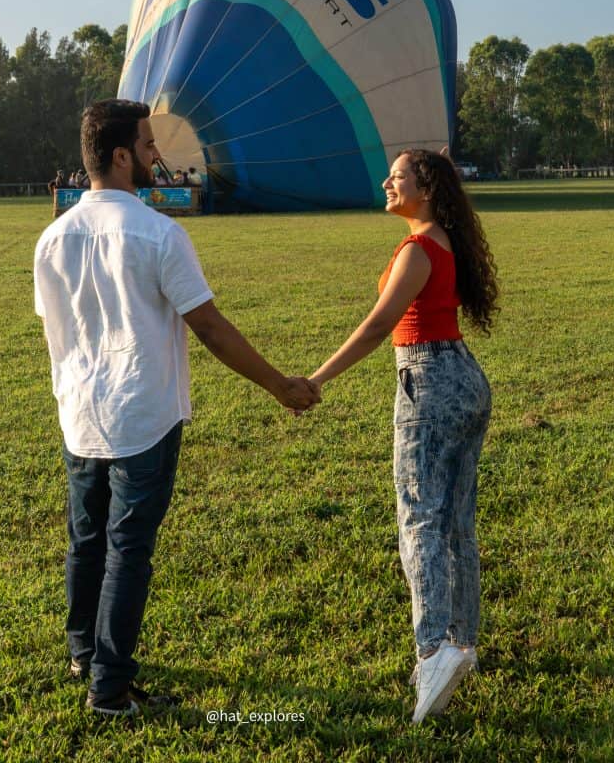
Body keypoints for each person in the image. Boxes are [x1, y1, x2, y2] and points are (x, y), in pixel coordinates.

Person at [33, 99, 319, 719]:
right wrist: (278, 385)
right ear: (120, 156)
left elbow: (58, 323)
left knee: (86, 540)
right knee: (127, 548)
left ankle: (84, 650)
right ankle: (108, 689)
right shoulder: (159, 232)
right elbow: (210, 327)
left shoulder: (51, 238)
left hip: (79, 413)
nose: (156, 154)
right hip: (144, 412)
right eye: (147, 143)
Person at [307, 148, 498, 724]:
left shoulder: (418, 250)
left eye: (398, 177)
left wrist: (314, 380)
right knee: (455, 522)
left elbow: (377, 326)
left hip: (429, 381)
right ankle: (462, 643)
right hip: (464, 377)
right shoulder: (445, 240)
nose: (387, 183)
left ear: (427, 188)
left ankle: (434, 648)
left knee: (419, 518)